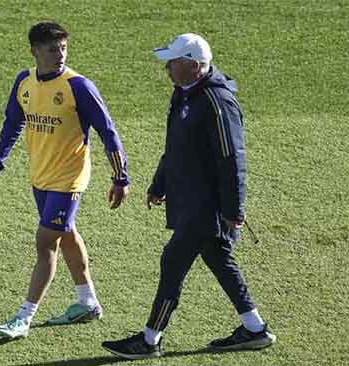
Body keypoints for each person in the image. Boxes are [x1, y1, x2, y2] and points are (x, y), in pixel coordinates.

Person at [101, 33, 276, 359]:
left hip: (206, 206)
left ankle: (150, 340)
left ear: (194, 66)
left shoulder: (216, 102)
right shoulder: (184, 94)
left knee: (173, 261)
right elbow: (175, 148)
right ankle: (255, 329)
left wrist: (235, 209)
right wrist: (159, 184)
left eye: (173, 62)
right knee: (218, 259)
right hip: (192, 200)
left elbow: (232, 158)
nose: (167, 67)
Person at [0, 22, 130, 339]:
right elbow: (12, 124)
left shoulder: (79, 87)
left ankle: (23, 318)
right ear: (34, 50)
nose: (59, 54)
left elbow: (108, 132)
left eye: (63, 48)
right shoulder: (25, 82)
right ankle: (88, 302)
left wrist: (120, 176)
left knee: (46, 242)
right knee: (66, 234)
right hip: (41, 176)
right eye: (52, 49)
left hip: (69, 178)